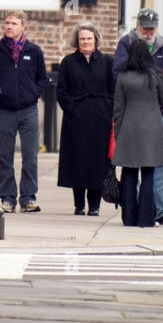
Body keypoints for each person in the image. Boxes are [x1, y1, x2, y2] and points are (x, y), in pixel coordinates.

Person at [113, 8, 163, 225]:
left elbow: (119, 103)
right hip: (152, 121)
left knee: (132, 171)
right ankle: (148, 215)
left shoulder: (162, 45)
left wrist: (119, 129)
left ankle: (135, 214)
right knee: (150, 170)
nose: (149, 31)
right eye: (145, 27)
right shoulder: (127, 43)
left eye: (152, 28)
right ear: (138, 26)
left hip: (130, 122)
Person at [0, 11, 48, 213]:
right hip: (5, 110)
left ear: (23, 26)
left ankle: (28, 197)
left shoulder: (34, 51)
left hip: (28, 110)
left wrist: (33, 94)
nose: (9, 26)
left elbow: (43, 78)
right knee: (5, 156)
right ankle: (7, 198)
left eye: (14, 23)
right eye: (6, 23)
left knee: (30, 155)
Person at [56, 23, 115, 216]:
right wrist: (73, 109)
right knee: (77, 161)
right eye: (82, 39)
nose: (86, 42)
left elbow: (114, 90)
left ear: (96, 39)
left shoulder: (107, 62)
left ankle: (95, 205)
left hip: (100, 119)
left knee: (97, 162)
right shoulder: (68, 62)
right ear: (77, 41)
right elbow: (62, 92)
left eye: (89, 38)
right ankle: (79, 204)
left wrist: (107, 110)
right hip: (77, 119)